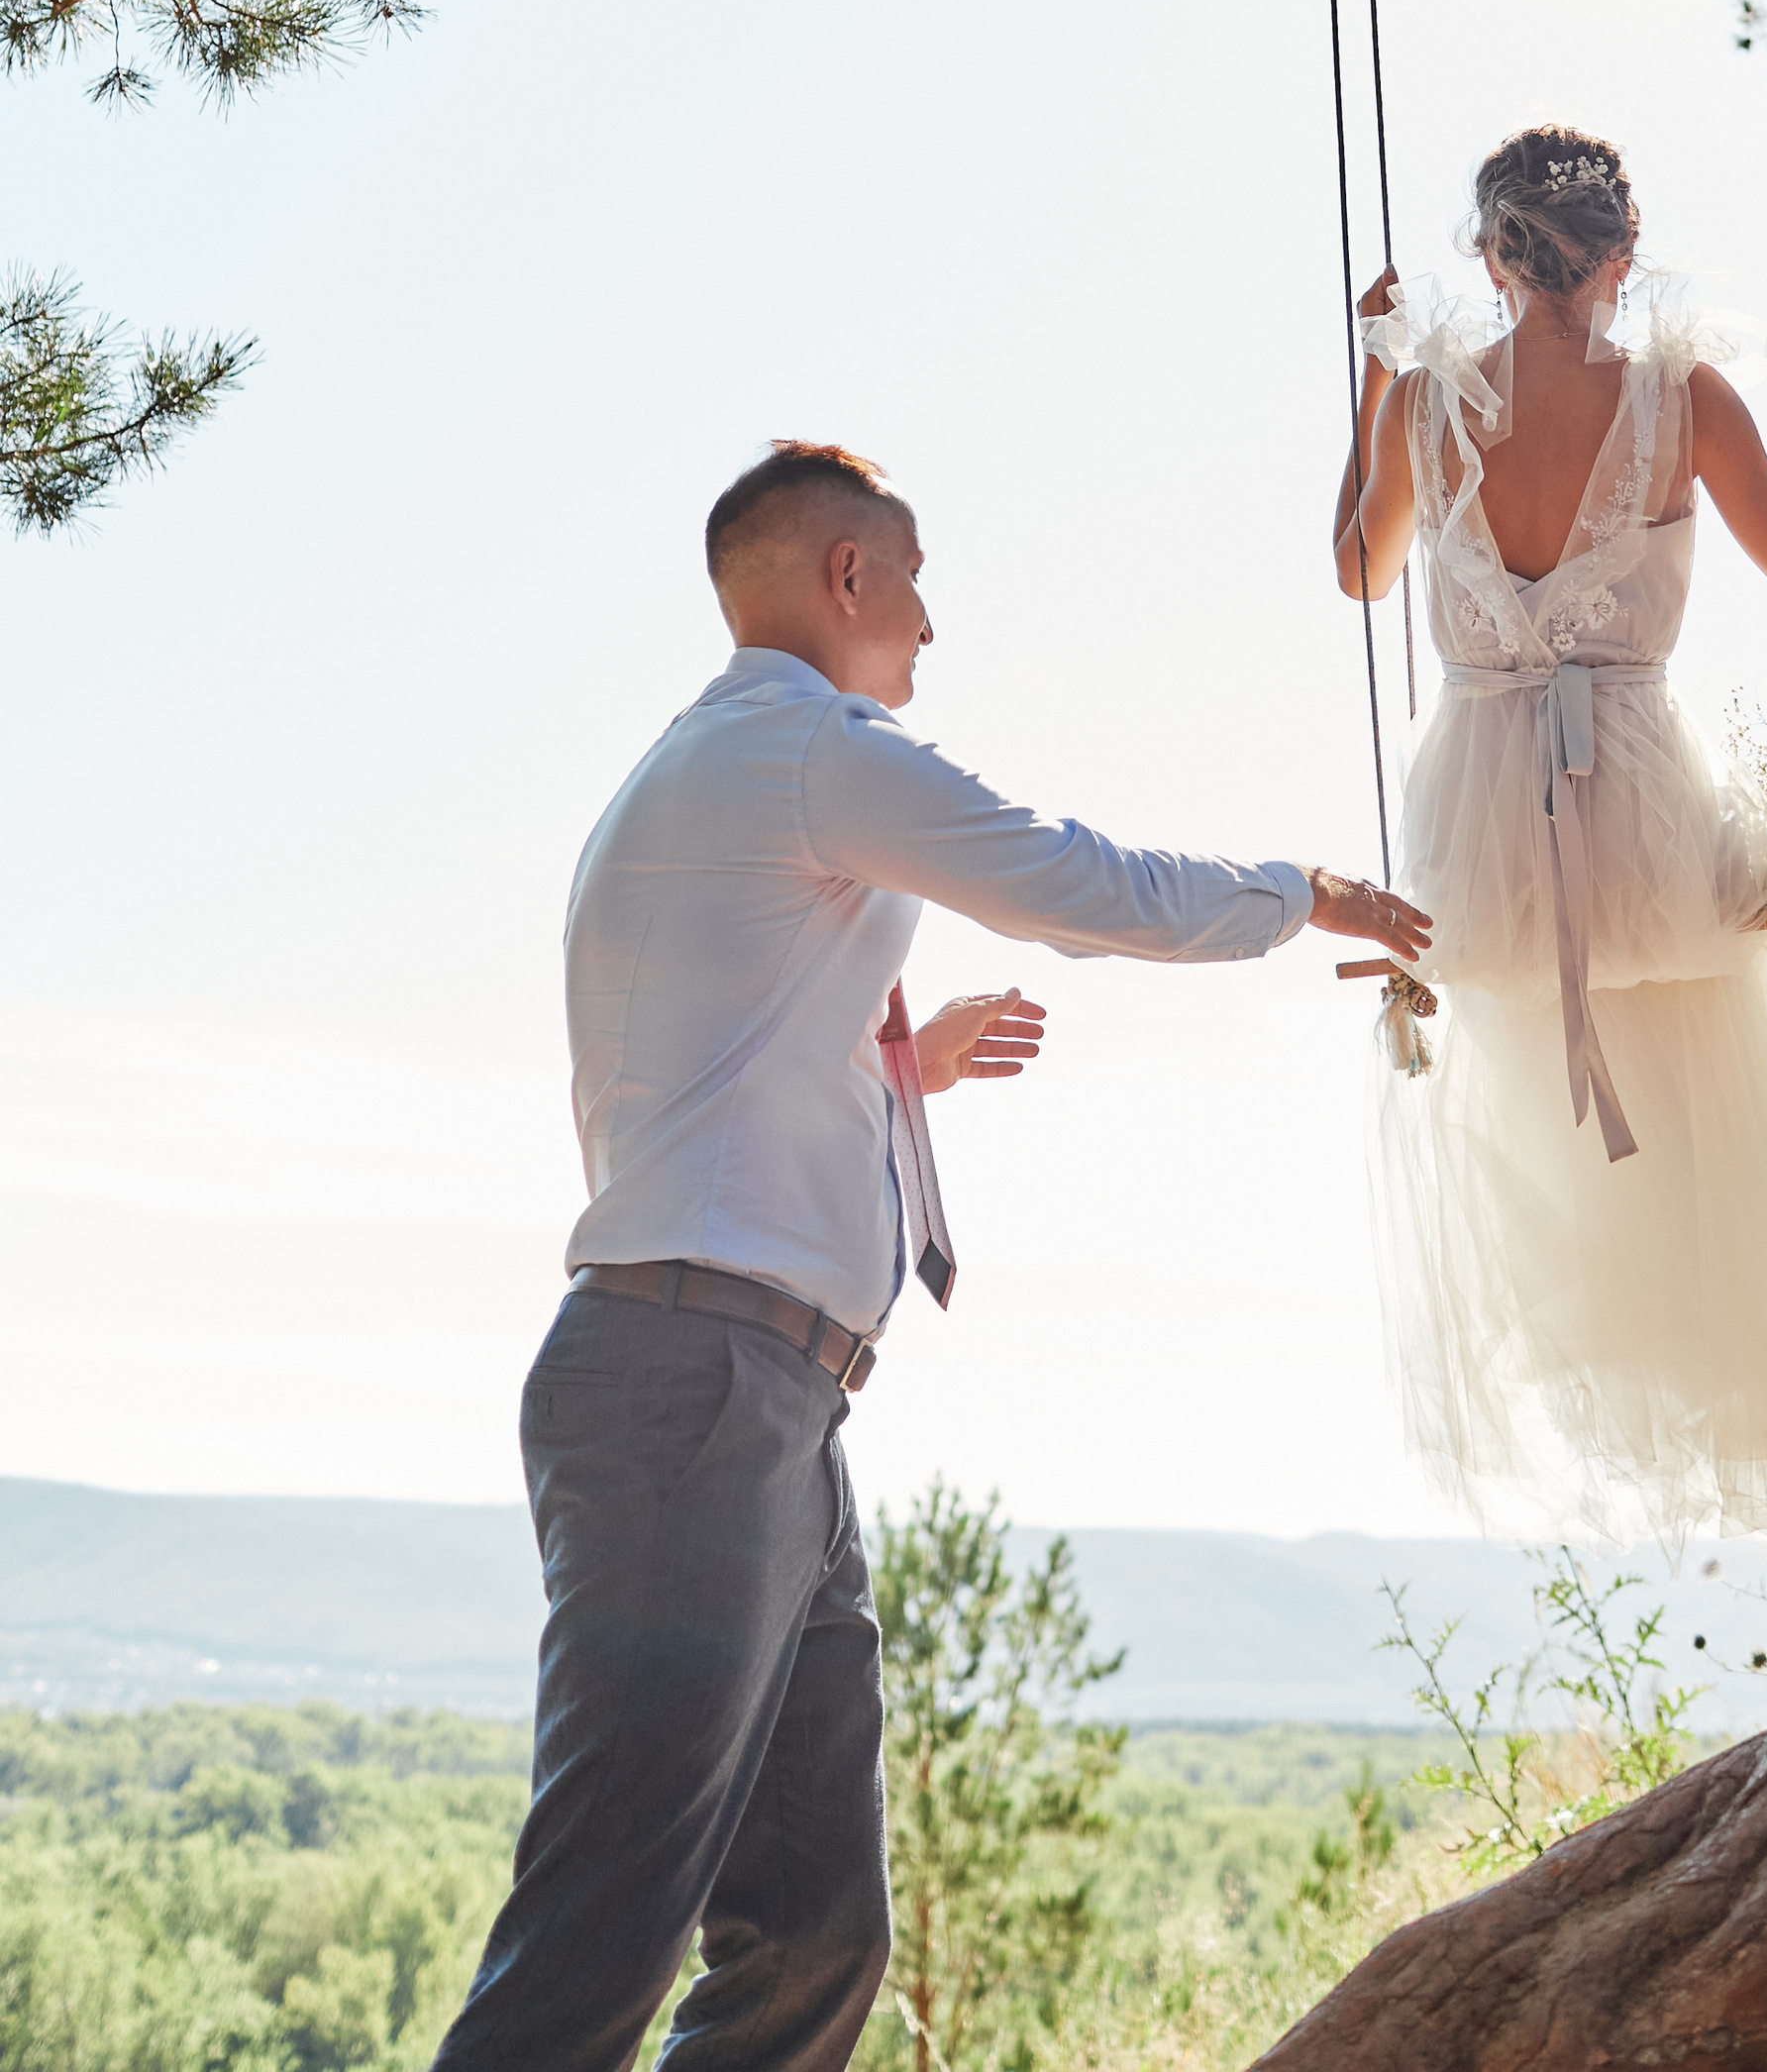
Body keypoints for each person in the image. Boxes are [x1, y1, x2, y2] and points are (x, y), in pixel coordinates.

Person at [434, 437, 1429, 2072]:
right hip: (698, 1390)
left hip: (761, 1398)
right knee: (598, 1937)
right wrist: (1297, 890)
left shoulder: (708, 774)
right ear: (844, 577)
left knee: (818, 1935)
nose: (928, 622)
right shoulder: (811, 747)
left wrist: (903, 1065)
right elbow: (1077, 880)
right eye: (911, 577)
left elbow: (700, 1070)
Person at [1335, 125, 1767, 1579]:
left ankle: (1607, 1363)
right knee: (1732, 1130)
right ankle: (1751, 1370)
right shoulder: (1677, 400)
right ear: (1623, 256)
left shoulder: (1423, 409)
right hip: (1636, 807)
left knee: (1552, 1140)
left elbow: (1358, 568)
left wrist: (1375, 384)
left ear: (1490, 255)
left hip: (1480, 840)